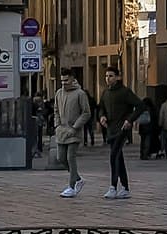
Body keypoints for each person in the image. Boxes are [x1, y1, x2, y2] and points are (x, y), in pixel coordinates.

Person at [95, 65, 140, 200]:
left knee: (113, 155)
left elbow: (140, 106)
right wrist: (102, 116)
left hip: (122, 129)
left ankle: (113, 186)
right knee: (118, 157)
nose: (108, 79)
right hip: (111, 129)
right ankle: (125, 188)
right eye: (106, 76)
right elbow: (101, 107)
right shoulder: (105, 93)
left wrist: (129, 120)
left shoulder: (125, 92)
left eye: (111, 76)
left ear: (118, 77)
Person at [53, 72, 91, 198]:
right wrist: (57, 125)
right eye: (62, 80)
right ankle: (78, 178)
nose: (64, 83)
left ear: (73, 79)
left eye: (66, 80)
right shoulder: (59, 93)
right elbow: (56, 110)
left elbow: (86, 112)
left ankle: (72, 186)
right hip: (61, 131)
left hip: (74, 131)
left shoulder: (80, 94)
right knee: (61, 158)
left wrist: (75, 127)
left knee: (70, 157)